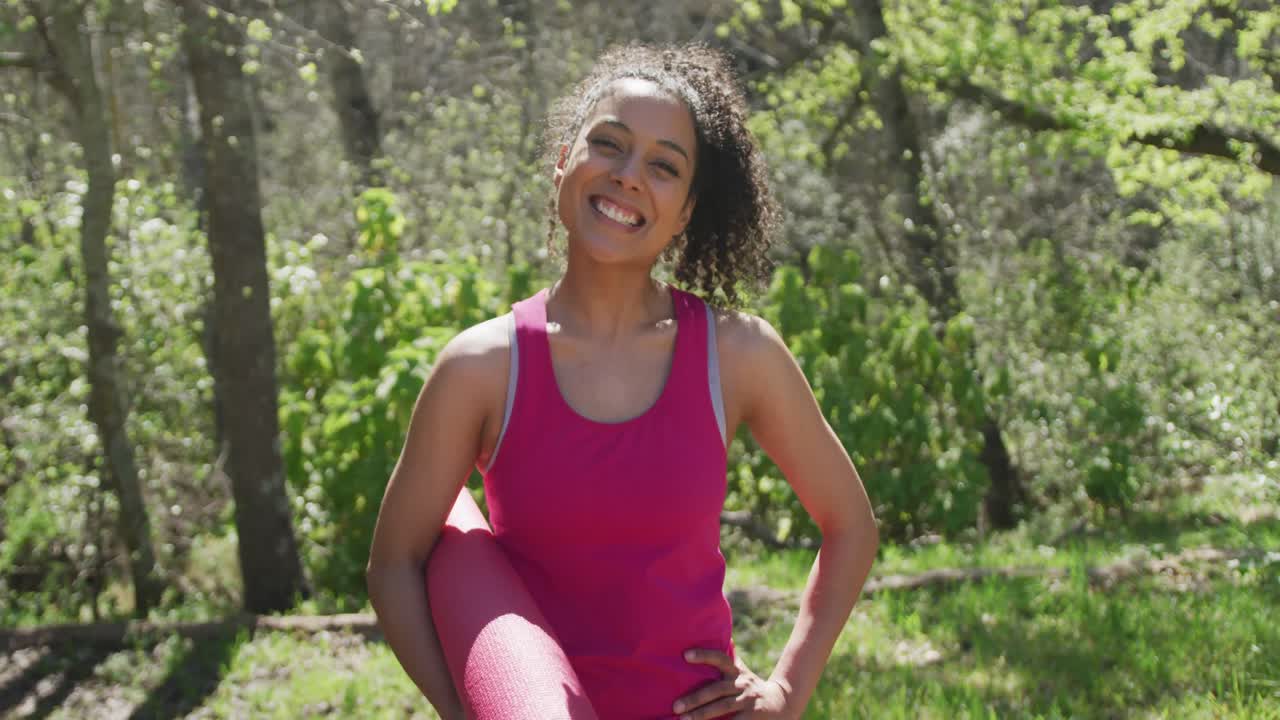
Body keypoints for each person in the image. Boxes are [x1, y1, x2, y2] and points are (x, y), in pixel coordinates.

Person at [366, 43, 878, 720]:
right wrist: (470, 708)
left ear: (688, 210)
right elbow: (394, 564)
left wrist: (786, 691)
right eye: (608, 144)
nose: (629, 175)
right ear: (562, 162)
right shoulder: (480, 368)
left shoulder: (739, 353)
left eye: (664, 166)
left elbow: (851, 526)